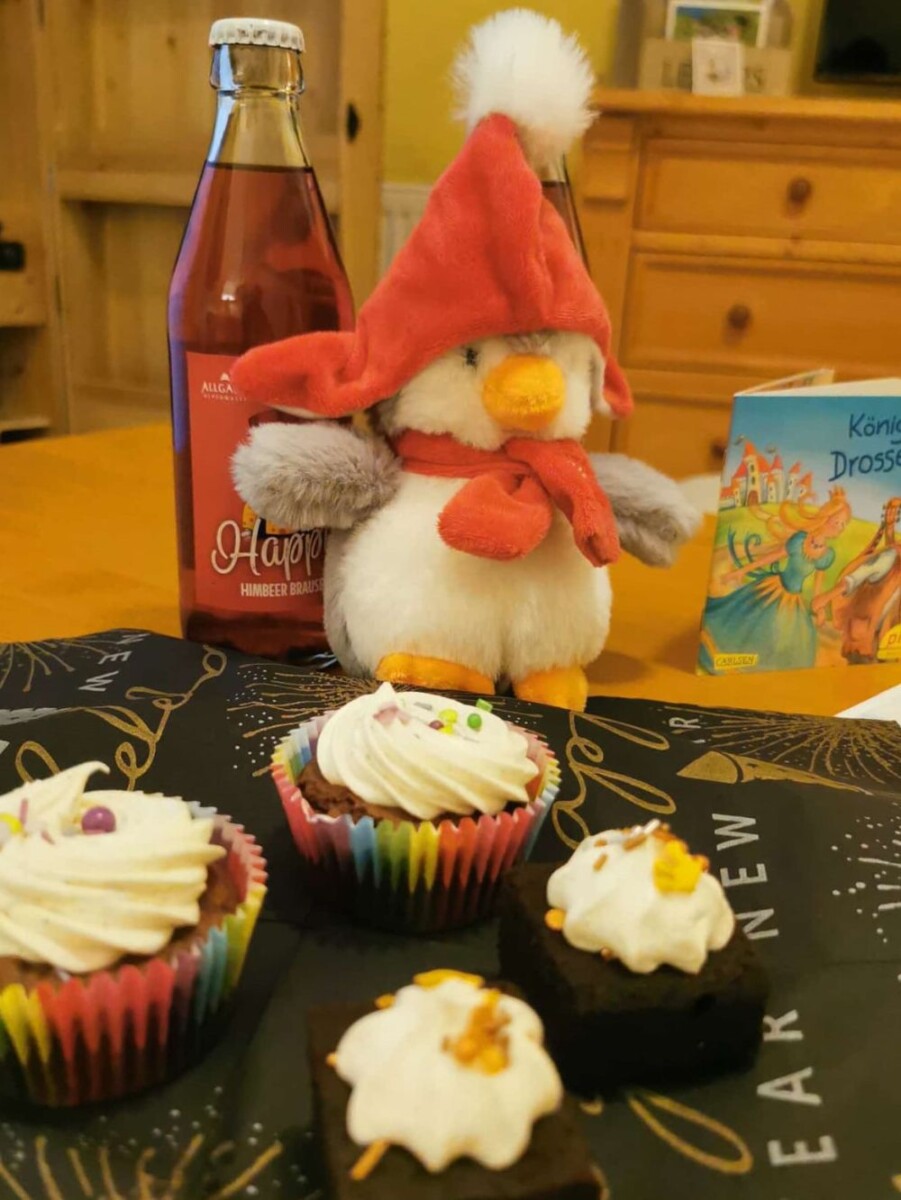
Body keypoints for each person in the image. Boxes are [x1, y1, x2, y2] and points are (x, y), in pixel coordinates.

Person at [699, 489, 852, 672]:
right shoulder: (799, 540)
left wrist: (819, 610)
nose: (839, 528)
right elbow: (772, 557)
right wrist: (741, 571)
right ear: (825, 517)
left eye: (843, 524)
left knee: (791, 643)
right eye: (837, 521)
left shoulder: (826, 556)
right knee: (751, 624)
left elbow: (817, 591)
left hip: (793, 601)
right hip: (772, 589)